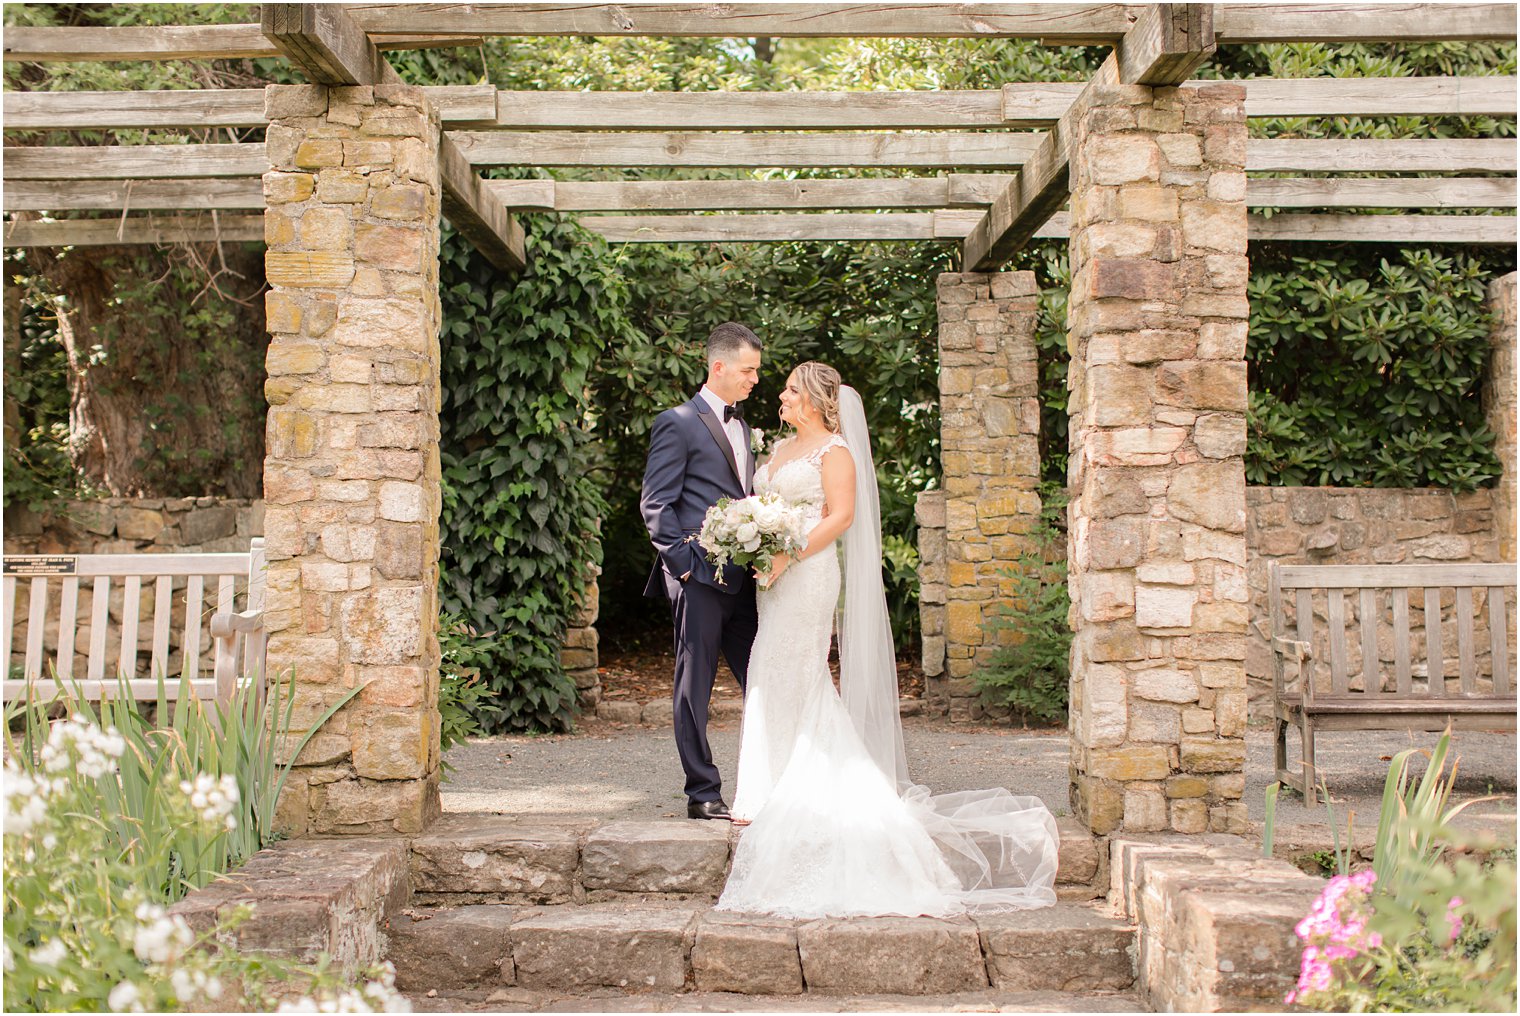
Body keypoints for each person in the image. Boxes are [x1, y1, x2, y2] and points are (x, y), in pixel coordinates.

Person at [716, 361, 1059, 918]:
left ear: (815, 400)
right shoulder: (776, 450)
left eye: (790, 390)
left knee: (796, 667)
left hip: (807, 573)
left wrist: (787, 554)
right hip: (771, 578)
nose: (780, 395)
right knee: (766, 665)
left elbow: (842, 516)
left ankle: (785, 789)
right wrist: (755, 541)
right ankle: (763, 786)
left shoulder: (836, 453)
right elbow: (766, 507)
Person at [639, 322, 763, 821]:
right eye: (748, 370)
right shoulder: (678, 422)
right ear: (719, 366)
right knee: (695, 686)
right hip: (699, 579)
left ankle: (781, 778)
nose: (755, 379)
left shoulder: (745, 428)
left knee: (766, 674)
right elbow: (656, 504)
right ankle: (703, 792)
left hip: (746, 578)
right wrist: (685, 568)